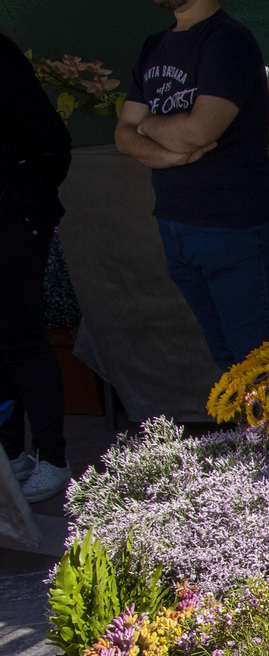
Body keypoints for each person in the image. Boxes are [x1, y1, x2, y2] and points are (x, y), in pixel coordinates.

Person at [116, 0, 269, 374]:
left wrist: (148, 125)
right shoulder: (154, 46)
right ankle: (250, 434)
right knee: (229, 365)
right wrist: (170, 155)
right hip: (176, 222)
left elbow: (199, 131)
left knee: (262, 364)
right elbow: (122, 135)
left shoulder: (228, 41)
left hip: (236, 224)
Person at [0, 32, 73, 503]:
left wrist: (28, 198)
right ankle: (12, 454)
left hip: (14, 215)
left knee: (20, 336)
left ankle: (53, 459)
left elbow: (51, 140)